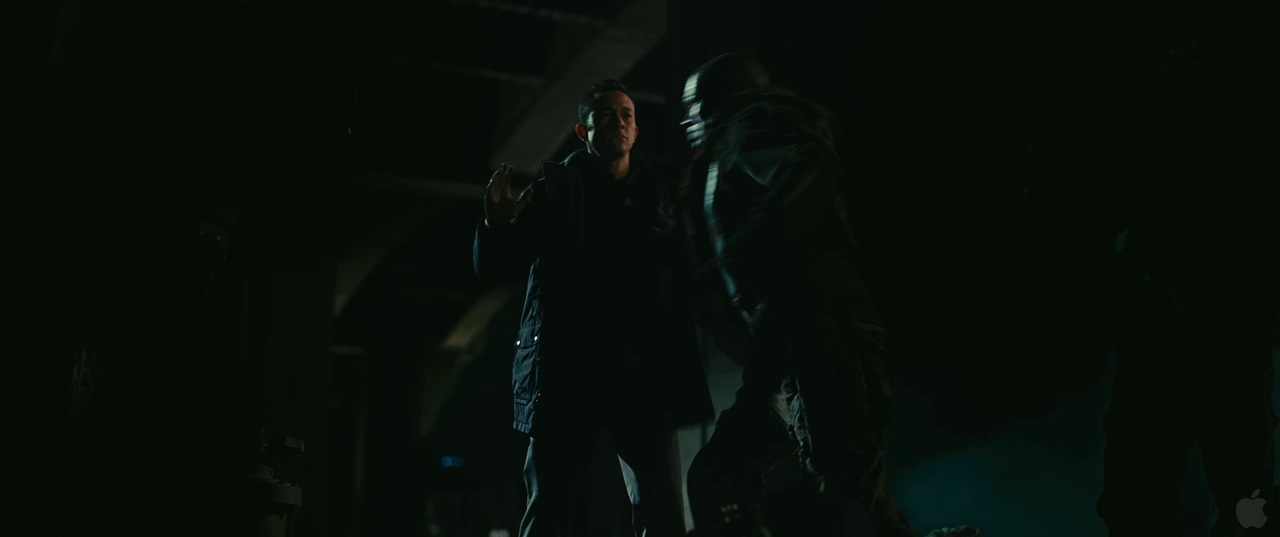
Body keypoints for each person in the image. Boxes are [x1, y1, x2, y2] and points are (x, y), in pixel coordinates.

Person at [677, 52, 916, 537]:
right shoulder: (741, 138)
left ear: (722, 100)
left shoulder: (747, 126)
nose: (688, 122)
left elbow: (810, 165)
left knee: (845, 494)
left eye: (695, 106)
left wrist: (753, 243)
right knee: (734, 477)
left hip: (817, 333)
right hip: (794, 343)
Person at [472, 79, 714, 537]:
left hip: (642, 374)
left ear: (636, 130)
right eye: (605, 115)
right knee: (551, 507)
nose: (618, 123)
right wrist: (495, 225)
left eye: (626, 115)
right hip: (570, 373)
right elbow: (498, 269)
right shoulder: (553, 191)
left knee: (662, 508)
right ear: (583, 131)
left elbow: (686, 274)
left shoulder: (660, 195)